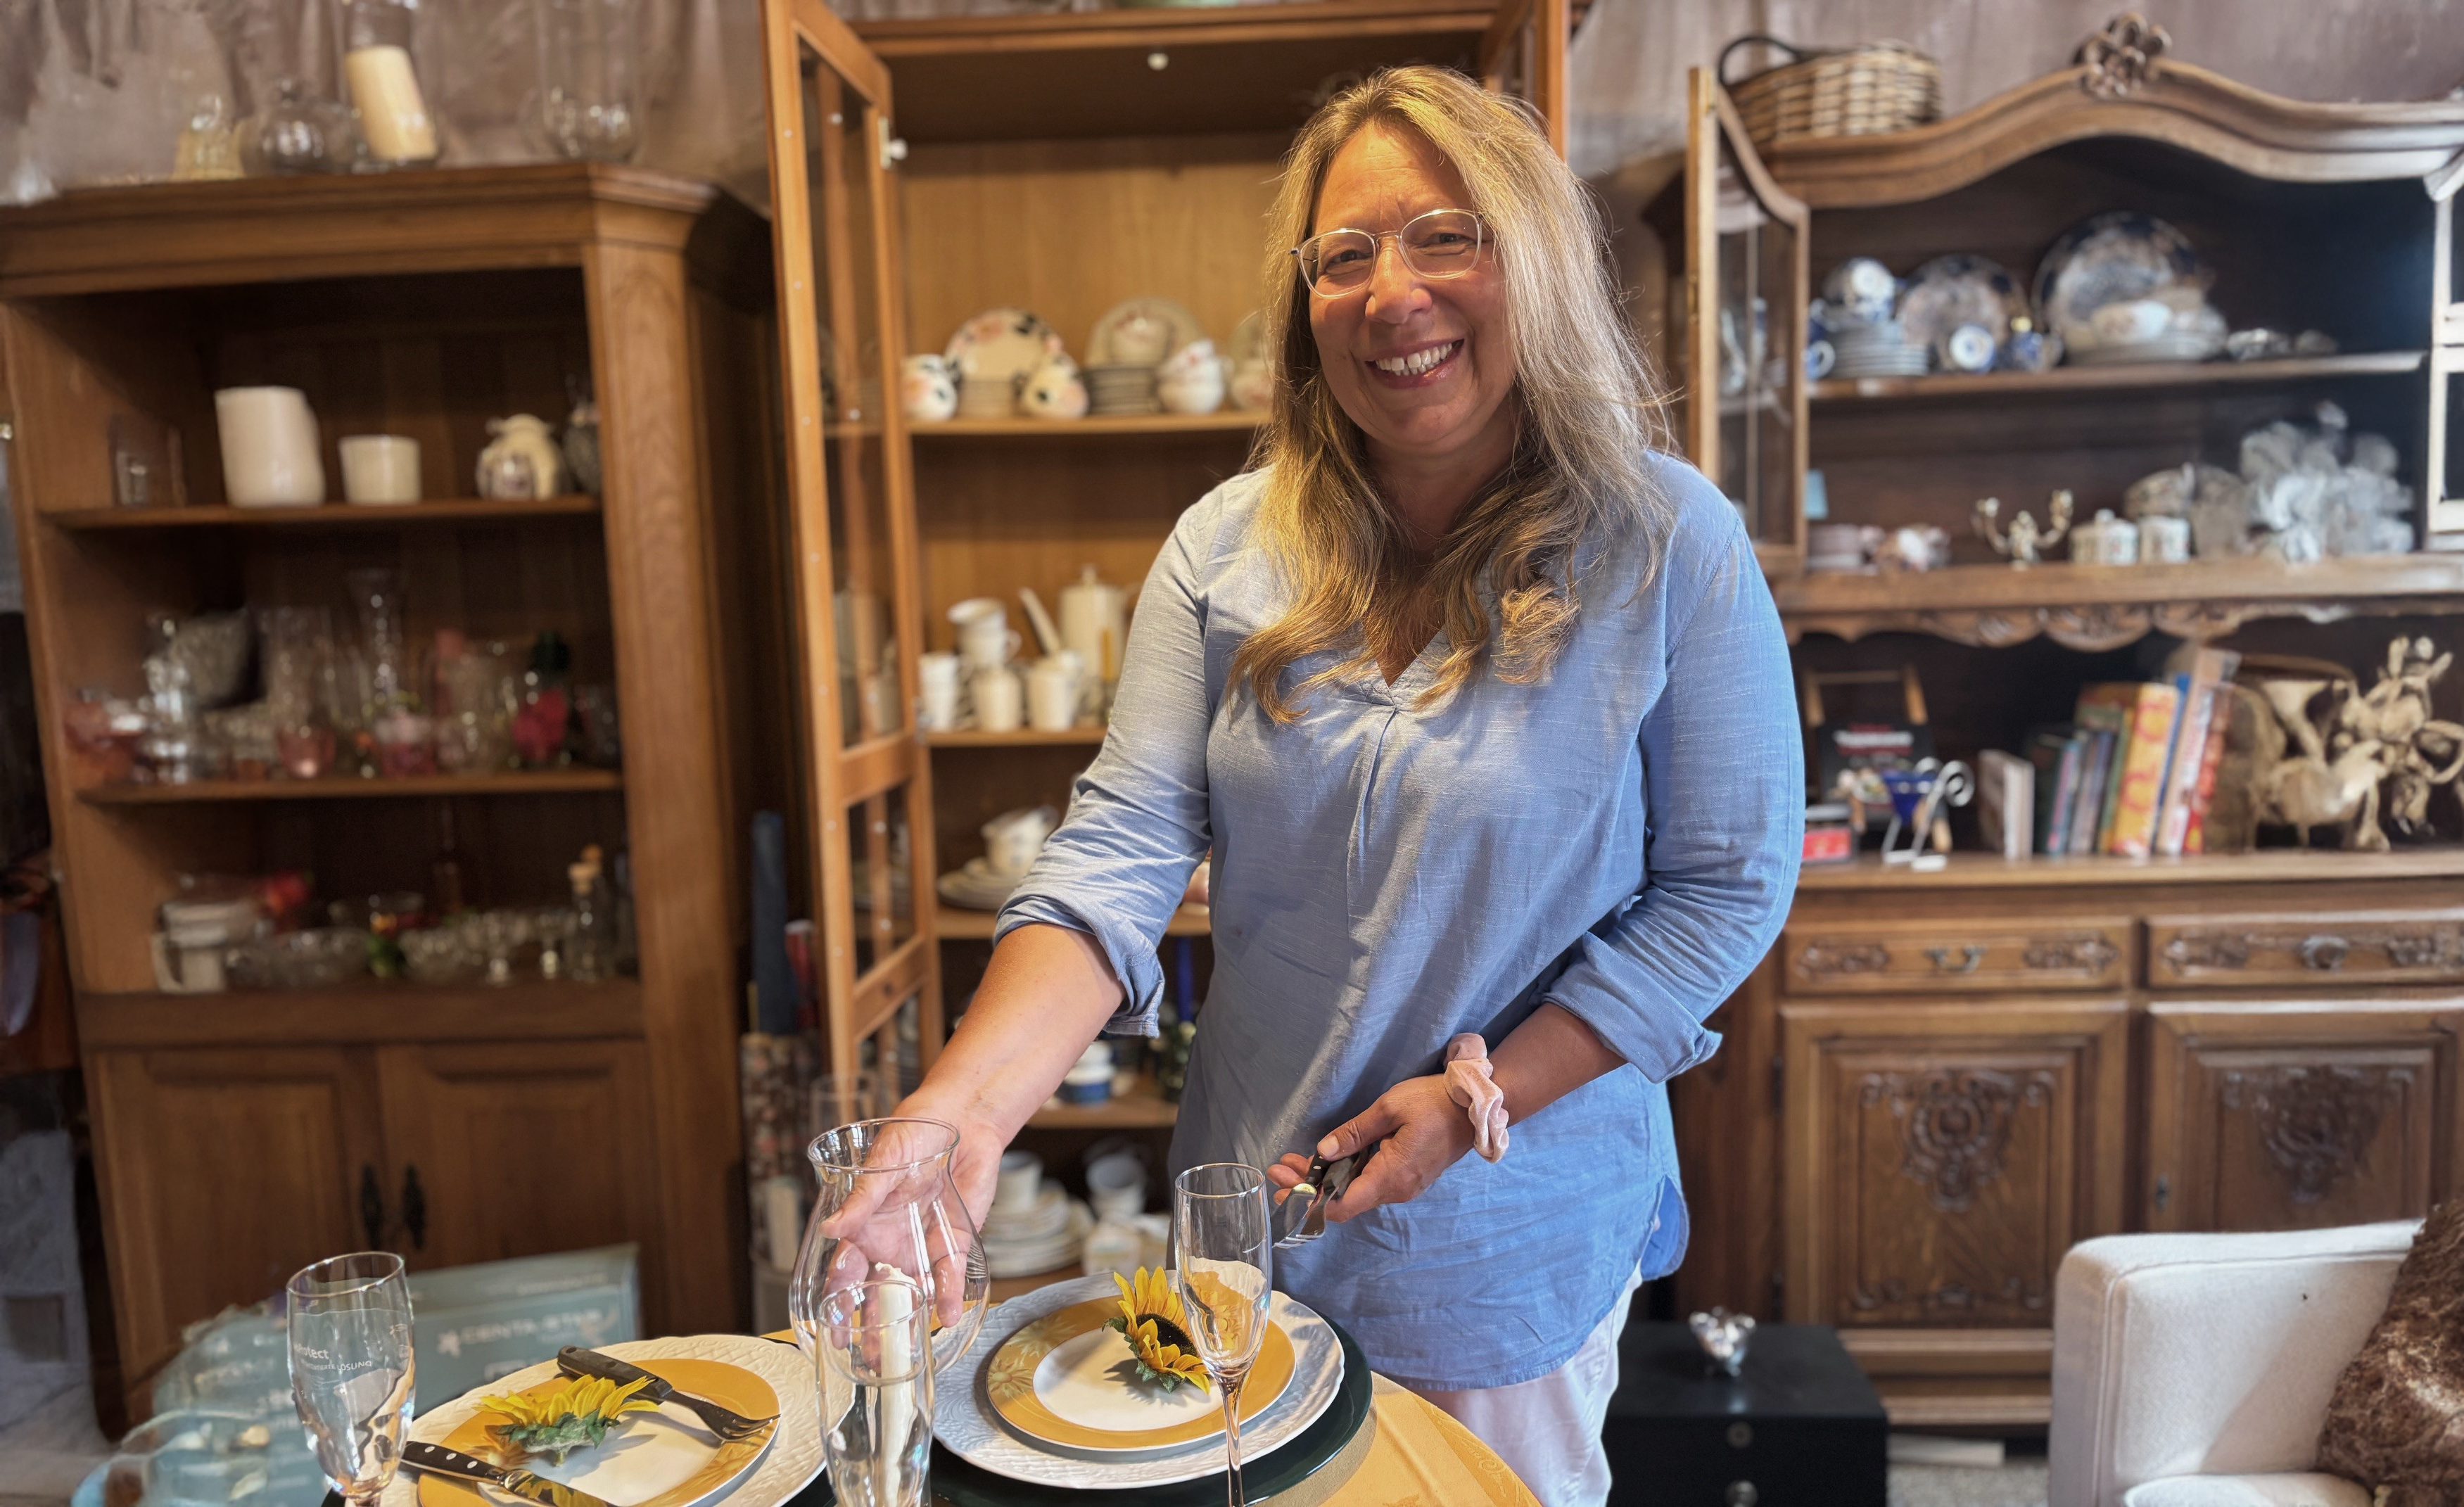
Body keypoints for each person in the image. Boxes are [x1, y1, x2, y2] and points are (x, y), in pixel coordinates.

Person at [893, 64, 1801, 1507]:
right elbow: (1120, 846)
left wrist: (1475, 1099)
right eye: (1345, 253)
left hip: (1504, 1230)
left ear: (1539, 265)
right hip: (1250, 1219)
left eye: (1448, 237)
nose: (1393, 293)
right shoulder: (1224, 544)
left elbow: (1728, 885)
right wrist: (950, 1119)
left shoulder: (1665, 541)